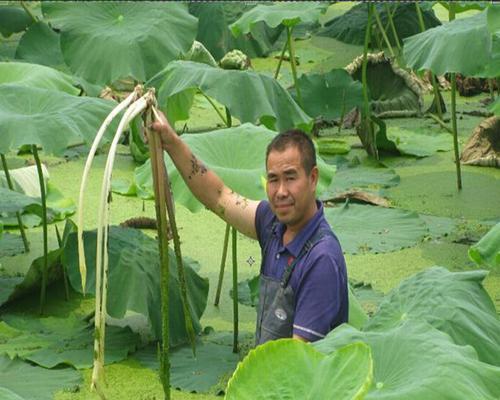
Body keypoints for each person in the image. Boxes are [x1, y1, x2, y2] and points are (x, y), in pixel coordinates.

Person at [152, 112, 348, 344]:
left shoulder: (321, 259)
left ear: (313, 178)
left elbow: (299, 360)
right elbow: (219, 197)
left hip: (296, 376)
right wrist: (171, 142)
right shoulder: (273, 223)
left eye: (291, 177)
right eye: (273, 179)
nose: (281, 191)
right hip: (267, 370)